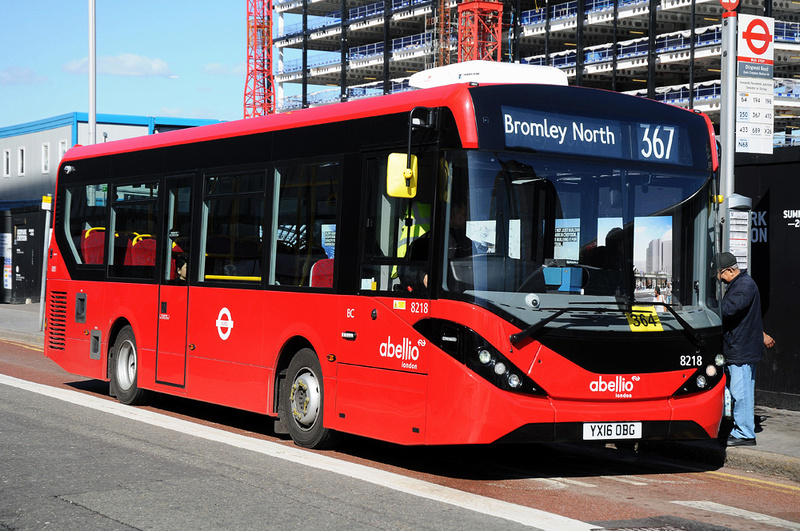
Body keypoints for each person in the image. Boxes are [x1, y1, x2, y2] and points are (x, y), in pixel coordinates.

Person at [717, 251, 775, 447]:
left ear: (729, 270)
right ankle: (742, 429)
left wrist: (709, 305)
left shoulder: (743, 286)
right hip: (741, 347)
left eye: (719, 274)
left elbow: (728, 310)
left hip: (741, 349)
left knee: (740, 393)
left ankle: (745, 433)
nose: (718, 278)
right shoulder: (741, 284)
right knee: (741, 392)